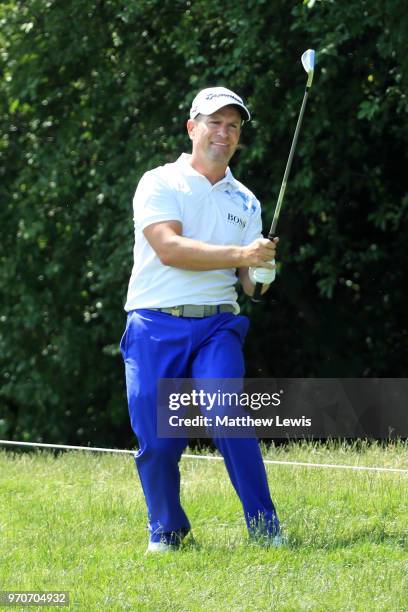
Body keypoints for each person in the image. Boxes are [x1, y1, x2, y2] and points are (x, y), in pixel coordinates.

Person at [121, 86, 282, 552]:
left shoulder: (246, 202)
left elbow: (251, 286)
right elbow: (169, 249)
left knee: (226, 413)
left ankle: (266, 529)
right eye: (215, 122)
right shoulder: (160, 182)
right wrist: (242, 255)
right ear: (193, 128)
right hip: (154, 323)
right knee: (158, 440)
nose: (224, 132)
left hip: (217, 327)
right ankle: (168, 531)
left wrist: (263, 271)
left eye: (233, 126)